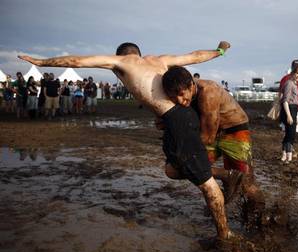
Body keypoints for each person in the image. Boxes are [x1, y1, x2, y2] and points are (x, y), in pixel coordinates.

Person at [18, 40, 233, 240]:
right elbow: (195, 56)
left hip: (179, 121)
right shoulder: (160, 60)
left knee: (206, 185)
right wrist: (220, 51)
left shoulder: (123, 62)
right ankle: (226, 175)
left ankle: (225, 235)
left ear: (120, 57)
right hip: (176, 120)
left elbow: (75, 61)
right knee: (171, 169)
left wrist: (40, 62)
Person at [161, 66, 265, 217]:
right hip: (210, 133)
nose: (179, 101)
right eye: (173, 97)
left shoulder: (208, 92)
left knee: (246, 184)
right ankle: (225, 180)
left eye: (181, 94)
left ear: (191, 85)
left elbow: (207, 138)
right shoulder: (185, 94)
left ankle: (263, 216)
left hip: (234, 131)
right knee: (173, 170)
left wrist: (181, 151)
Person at [280, 65, 298, 162]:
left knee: (290, 134)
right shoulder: (289, 83)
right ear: (293, 73)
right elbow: (285, 101)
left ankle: (284, 155)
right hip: (288, 110)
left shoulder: (295, 83)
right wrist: (289, 115)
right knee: (290, 134)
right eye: (297, 73)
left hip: (293, 109)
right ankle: (288, 156)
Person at [279, 60, 298, 133]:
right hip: (290, 108)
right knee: (288, 131)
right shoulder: (286, 78)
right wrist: (281, 107)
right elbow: (281, 94)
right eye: (295, 67)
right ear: (292, 68)